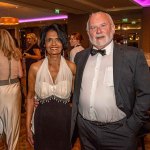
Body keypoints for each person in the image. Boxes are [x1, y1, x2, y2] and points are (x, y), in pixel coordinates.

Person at [70, 11, 150, 150]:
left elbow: (146, 93)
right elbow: (75, 89)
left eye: (103, 25)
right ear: (88, 32)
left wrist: (132, 126)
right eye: (93, 27)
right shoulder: (80, 57)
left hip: (120, 132)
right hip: (86, 131)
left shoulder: (133, 56)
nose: (98, 31)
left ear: (112, 28)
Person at [26, 24, 76, 150]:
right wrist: (27, 127)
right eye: (49, 40)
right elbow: (30, 98)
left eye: (58, 39)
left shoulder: (72, 67)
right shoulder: (35, 68)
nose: (54, 43)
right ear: (44, 44)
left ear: (63, 42)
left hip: (65, 121)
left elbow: (78, 97)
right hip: (42, 121)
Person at [0, 29, 23, 150]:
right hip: (14, 90)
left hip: (0, 89)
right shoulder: (16, 53)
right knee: (12, 123)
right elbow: (20, 74)